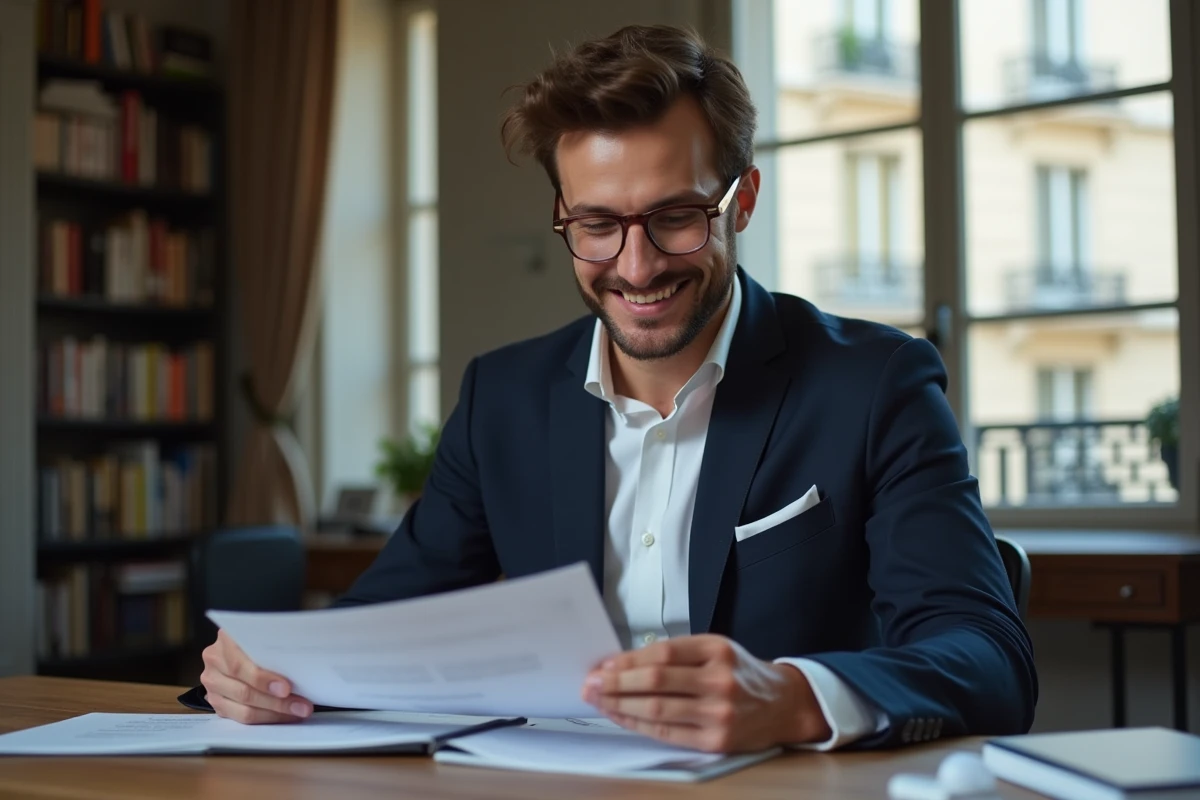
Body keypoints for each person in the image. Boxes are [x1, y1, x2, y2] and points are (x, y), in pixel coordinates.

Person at [200, 23, 1037, 753]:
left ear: (741, 200)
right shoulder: (504, 398)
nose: (636, 268)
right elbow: (380, 625)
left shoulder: (874, 384)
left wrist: (790, 698)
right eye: (597, 226)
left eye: (675, 217)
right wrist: (270, 671)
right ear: (564, 214)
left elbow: (987, 657)